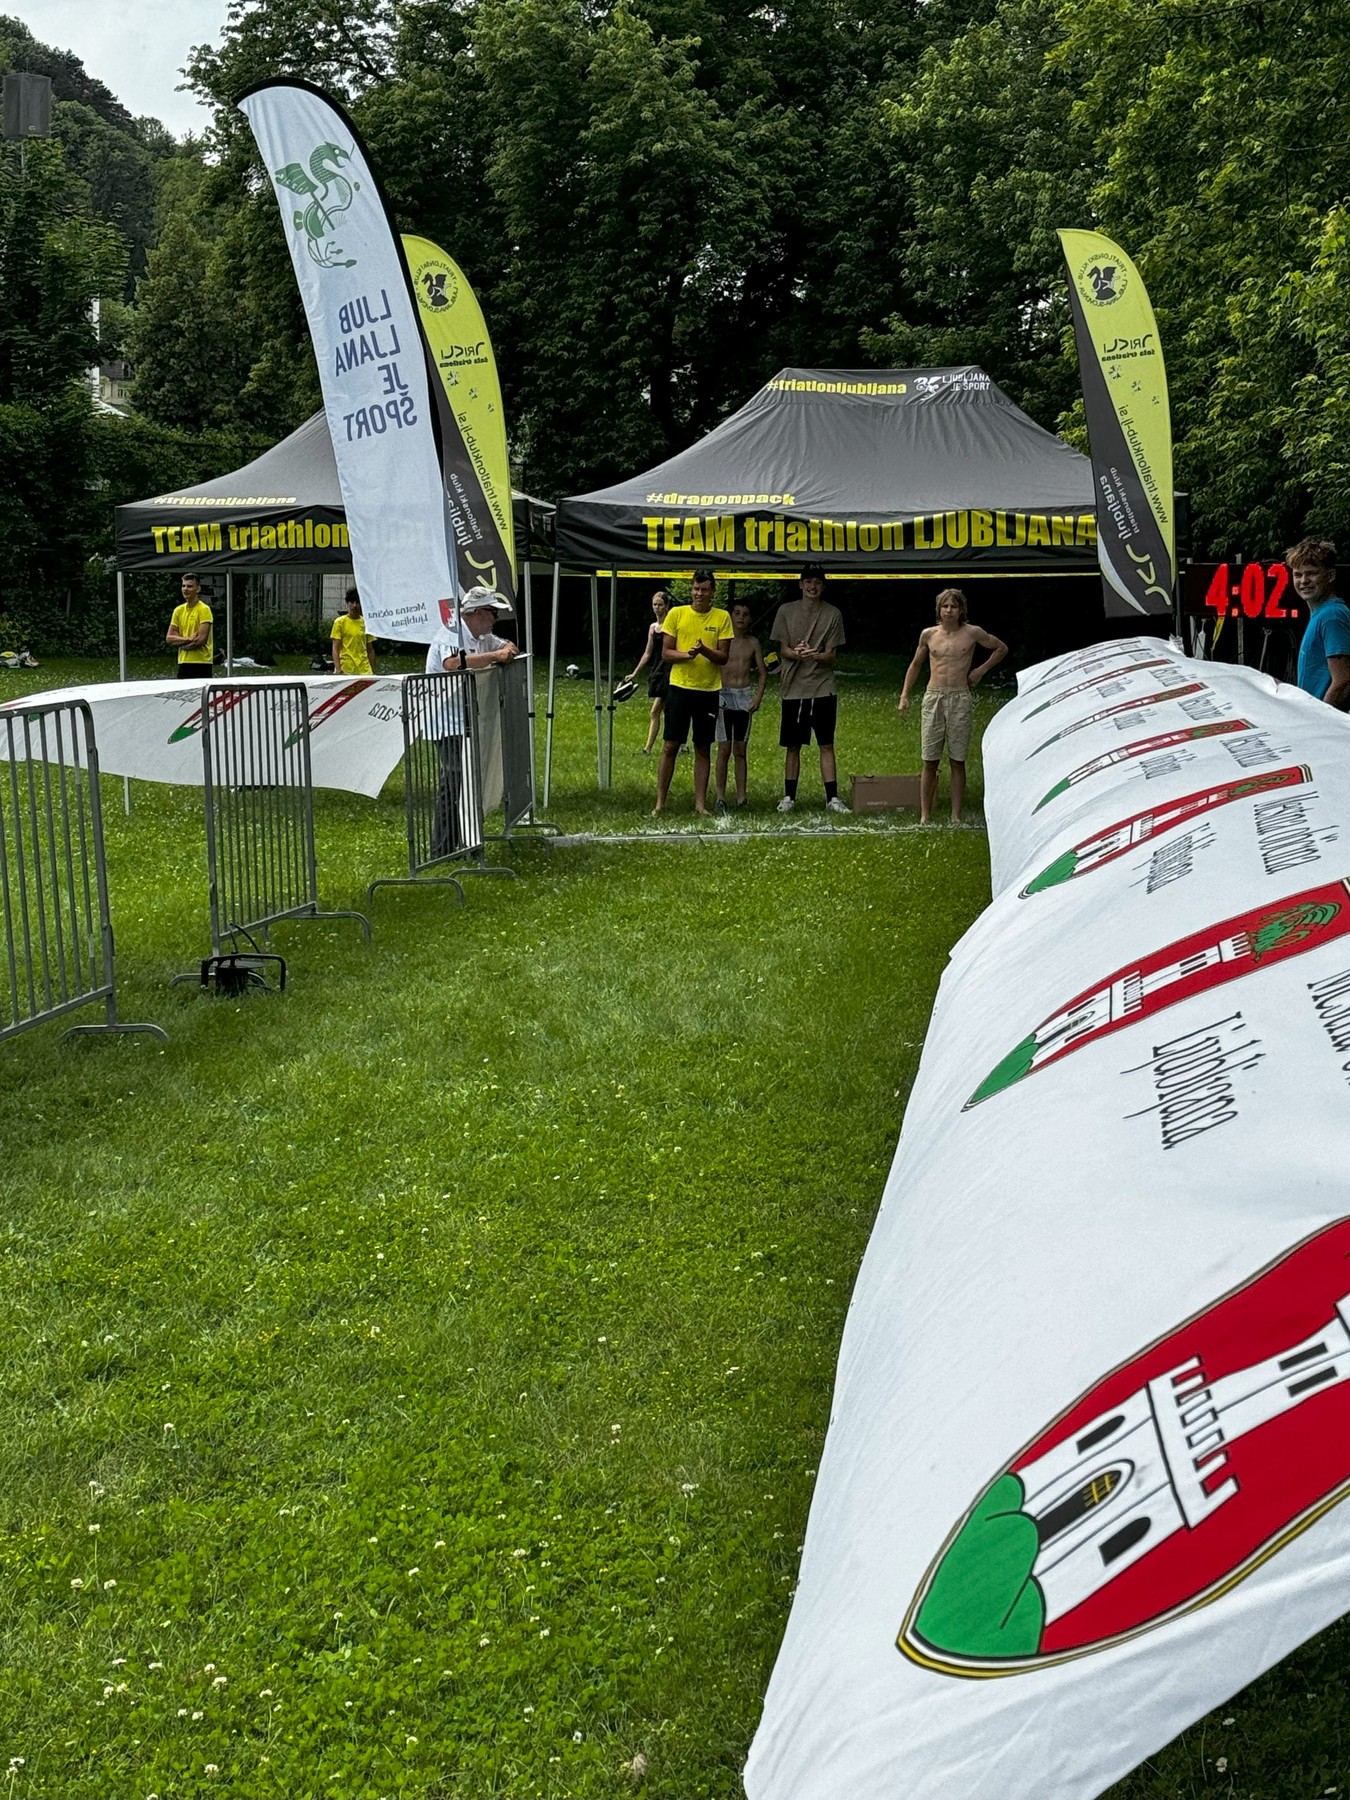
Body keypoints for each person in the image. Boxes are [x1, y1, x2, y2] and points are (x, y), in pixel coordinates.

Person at [898, 588, 1007, 824]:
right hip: (934, 696)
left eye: (953, 606)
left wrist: (979, 671)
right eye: (945, 606)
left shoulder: (972, 632)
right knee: (929, 759)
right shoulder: (929, 635)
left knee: (957, 759)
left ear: (961, 610)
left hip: (959, 697)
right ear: (939, 610)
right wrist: (904, 695)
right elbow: (915, 664)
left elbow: (1001, 648)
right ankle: (925, 815)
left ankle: (956, 815)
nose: (949, 611)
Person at [425, 587, 517, 857]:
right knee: (454, 780)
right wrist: (494, 657)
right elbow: (452, 663)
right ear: (477, 613)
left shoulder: (482, 637)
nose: (495, 619)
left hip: (466, 719)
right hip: (446, 721)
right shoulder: (451, 632)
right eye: (492, 612)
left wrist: (505, 650)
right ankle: (442, 848)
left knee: (466, 783)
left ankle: (465, 842)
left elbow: (508, 645)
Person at [653, 567, 732, 817]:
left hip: (708, 690)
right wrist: (688, 655)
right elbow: (666, 653)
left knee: (703, 747)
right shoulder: (677, 614)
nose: (699, 593)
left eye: (704, 589)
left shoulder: (722, 617)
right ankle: (660, 803)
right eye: (696, 588)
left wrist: (704, 651)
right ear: (691, 590)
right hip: (679, 688)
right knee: (670, 745)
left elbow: (723, 657)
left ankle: (700, 804)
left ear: (712, 592)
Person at [770, 562, 847, 813]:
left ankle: (832, 798)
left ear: (823, 586)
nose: (812, 586)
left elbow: (831, 655)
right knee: (793, 745)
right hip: (793, 687)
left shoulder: (833, 614)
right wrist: (796, 653)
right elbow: (782, 649)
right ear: (800, 584)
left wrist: (815, 655)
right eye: (808, 582)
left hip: (823, 687)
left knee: (826, 743)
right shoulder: (785, 611)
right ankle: (788, 797)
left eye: (817, 582)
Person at [714, 601, 767, 811]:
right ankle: (720, 796)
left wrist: (758, 697)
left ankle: (741, 797)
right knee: (723, 749)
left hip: (743, 696)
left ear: (750, 618)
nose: (741, 618)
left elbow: (762, 673)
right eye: (737, 613)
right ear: (730, 616)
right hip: (723, 696)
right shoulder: (722, 641)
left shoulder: (753, 643)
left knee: (740, 749)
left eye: (745, 614)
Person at [1289, 538, 1350, 708]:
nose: (1304, 580)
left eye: (1311, 573)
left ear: (1330, 576)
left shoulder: (1332, 616)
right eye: (1298, 574)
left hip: (1322, 721)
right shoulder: (1321, 614)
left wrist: (1320, 718)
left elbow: (1343, 681)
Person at [625, 589, 672, 753]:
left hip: (670, 670)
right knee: (666, 710)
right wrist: (635, 673)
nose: (657, 608)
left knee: (656, 711)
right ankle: (681, 745)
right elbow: (647, 653)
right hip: (657, 670)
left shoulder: (672, 626)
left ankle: (648, 748)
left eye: (660, 604)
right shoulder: (653, 628)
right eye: (654, 604)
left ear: (667, 606)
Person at [166, 572, 213, 677]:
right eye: (183, 586)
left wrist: (183, 645)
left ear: (198, 589)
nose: (185, 589)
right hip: (183, 661)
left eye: (189, 586)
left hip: (202, 663)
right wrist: (188, 639)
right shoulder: (178, 610)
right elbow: (169, 638)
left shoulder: (204, 609)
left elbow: (201, 640)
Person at [331, 586, 377, 675]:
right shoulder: (339, 622)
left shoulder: (366, 622)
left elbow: (370, 649)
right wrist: (338, 669)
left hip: (364, 669)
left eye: (357, 602)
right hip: (346, 669)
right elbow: (335, 648)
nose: (355, 606)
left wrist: (373, 672)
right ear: (347, 603)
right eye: (352, 602)